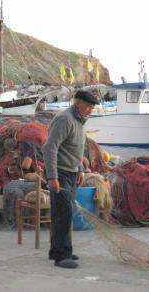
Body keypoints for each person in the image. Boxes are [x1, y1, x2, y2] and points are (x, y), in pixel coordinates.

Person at [42, 89, 99, 269]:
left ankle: (58, 250)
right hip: (60, 172)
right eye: (88, 106)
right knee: (64, 214)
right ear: (77, 103)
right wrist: (52, 177)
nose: (90, 110)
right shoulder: (65, 119)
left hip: (72, 172)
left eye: (92, 107)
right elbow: (49, 148)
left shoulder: (80, 121)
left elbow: (77, 150)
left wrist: (80, 170)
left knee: (64, 213)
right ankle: (61, 256)